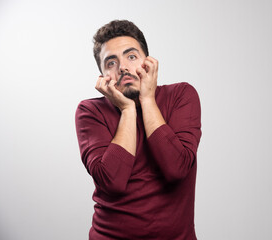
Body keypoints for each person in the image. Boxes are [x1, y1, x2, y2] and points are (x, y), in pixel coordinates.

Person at [75, 20, 202, 240]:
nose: (123, 67)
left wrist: (147, 99)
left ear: (147, 62)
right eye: (111, 63)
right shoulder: (89, 111)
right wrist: (127, 109)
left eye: (131, 56)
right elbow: (112, 182)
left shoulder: (181, 95)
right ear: (103, 75)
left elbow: (177, 169)